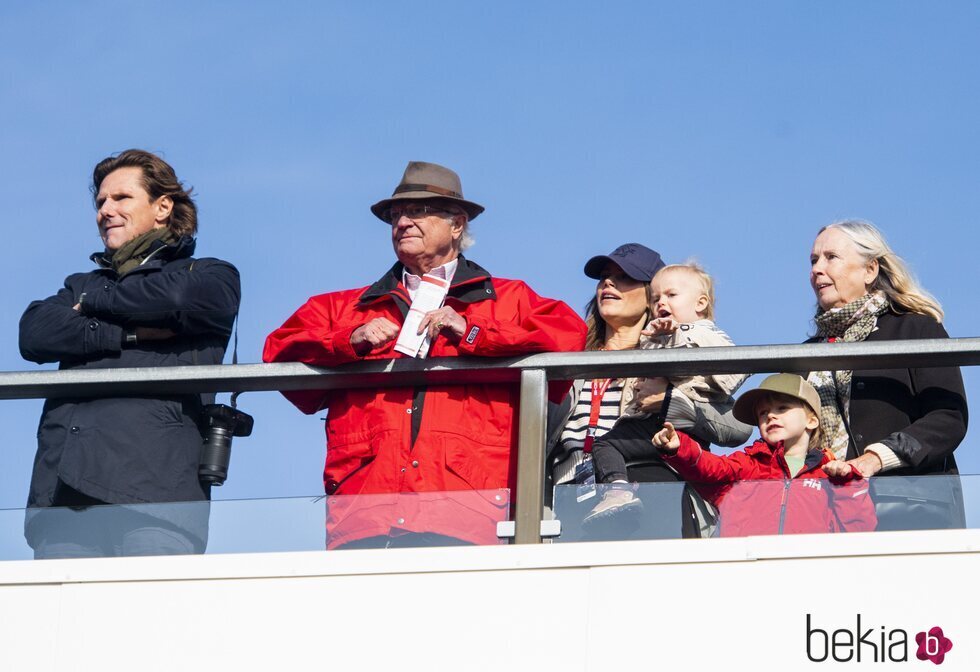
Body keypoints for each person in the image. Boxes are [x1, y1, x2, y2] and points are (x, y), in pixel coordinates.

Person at [263, 161, 586, 549]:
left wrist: (473, 332)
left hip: (468, 512)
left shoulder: (509, 299)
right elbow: (278, 351)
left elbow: (569, 337)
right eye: (396, 215)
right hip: (364, 512)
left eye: (417, 212)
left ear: (457, 224)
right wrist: (350, 339)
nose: (402, 222)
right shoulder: (346, 307)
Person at [20, 149, 241, 558]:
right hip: (63, 497)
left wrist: (87, 306)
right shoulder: (79, 282)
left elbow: (177, 299)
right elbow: (34, 332)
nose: (106, 210)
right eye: (100, 202)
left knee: (147, 622)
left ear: (162, 207)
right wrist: (130, 336)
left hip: (155, 497)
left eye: (121, 198)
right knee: (63, 623)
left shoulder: (209, 274)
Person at [546, 245, 751, 539]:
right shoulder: (570, 358)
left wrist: (670, 401)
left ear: (650, 298)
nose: (608, 283)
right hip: (570, 497)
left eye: (624, 277)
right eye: (604, 277)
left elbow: (738, 426)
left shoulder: (675, 354)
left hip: (652, 489)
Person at [806, 220, 968, 530]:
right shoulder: (807, 353)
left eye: (831, 257)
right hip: (825, 516)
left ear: (870, 270)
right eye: (813, 260)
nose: (817, 269)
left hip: (911, 511)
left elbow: (948, 419)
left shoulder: (915, 329)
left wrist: (875, 459)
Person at [651, 373, 876, 536]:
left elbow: (859, 528)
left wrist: (849, 483)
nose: (770, 416)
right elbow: (708, 467)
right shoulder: (747, 464)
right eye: (763, 413)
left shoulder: (831, 473)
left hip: (808, 574)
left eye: (782, 408)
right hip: (749, 571)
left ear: (812, 420)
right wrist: (680, 446)